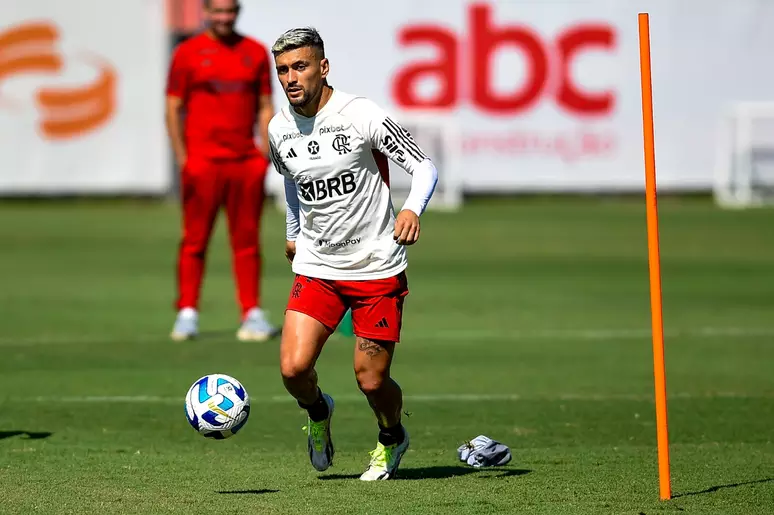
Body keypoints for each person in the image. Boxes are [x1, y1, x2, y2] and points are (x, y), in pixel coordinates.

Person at [267, 27, 439, 480]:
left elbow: (424, 166)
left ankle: (391, 437)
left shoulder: (360, 114)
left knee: (372, 380)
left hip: (376, 267)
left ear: (323, 68)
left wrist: (411, 208)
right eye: (283, 69)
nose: (290, 77)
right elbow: (291, 181)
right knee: (292, 369)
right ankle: (318, 411)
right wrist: (292, 232)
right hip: (318, 266)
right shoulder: (279, 127)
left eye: (300, 66)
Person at [165, 0, 277, 341]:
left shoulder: (255, 52)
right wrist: (184, 158)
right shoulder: (188, 53)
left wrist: (265, 153)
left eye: (230, 12)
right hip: (204, 162)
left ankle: (251, 313)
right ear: (206, 13)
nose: (224, 18)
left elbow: (265, 105)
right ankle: (187, 313)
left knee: (247, 241)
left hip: (245, 163)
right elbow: (173, 107)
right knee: (194, 240)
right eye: (218, 12)